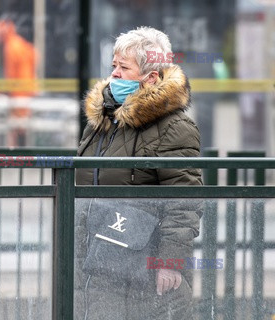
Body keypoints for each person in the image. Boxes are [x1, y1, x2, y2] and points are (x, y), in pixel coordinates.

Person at [75, 26, 203, 319]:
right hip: (91, 261)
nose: (115, 74)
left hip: (142, 272)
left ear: (152, 78)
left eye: (124, 67)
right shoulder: (102, 122)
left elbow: (184, 200)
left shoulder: (174, 127)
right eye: (114, 66)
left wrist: (169, 263)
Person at [0, 18, 37, 146]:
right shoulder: (20, 43)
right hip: (26, 89)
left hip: (19, 93)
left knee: (15, 128)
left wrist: (0, 90)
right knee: (22, 126)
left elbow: (10, 75)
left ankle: (15, 157)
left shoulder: (11, 46)